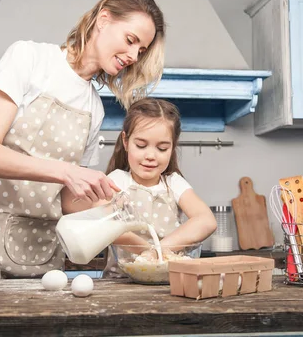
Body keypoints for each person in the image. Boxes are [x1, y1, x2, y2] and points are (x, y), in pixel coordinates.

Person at [0, 0, 166, 280]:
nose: (133, 55)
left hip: (37, 250)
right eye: (130, 40)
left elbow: (69, 199)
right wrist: (67, 171)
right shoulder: (30, 59)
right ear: (103, 20)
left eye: (141, 50)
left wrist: (121, 220)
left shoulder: (94, 108)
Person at [62, 98, 217, 277]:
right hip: (120, 283)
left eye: (162, 148)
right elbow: (103, 224)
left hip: (167, 281)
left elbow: (206, 220)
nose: (151, 155)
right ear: (126, 141)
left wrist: (161, 250)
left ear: (173, 147)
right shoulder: (116, 182)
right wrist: (145, 251)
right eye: (141, 145)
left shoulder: (174, 183)